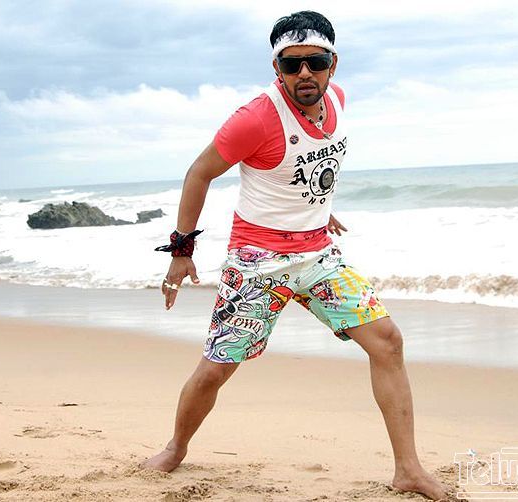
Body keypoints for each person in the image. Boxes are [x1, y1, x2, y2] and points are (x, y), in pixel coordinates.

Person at [140, 10, 453, 500]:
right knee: (217, 367)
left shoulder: (338, 101)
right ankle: (175, 448)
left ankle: (408, 469)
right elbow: (198, 173)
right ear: (277, 68)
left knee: (388, 342)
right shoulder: (254, 119)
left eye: (316, 62)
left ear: (333, 64)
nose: (305, 73)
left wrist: (318, 208)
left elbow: (303, 168)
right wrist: (182, 250)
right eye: (292, 64)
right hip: (258, 260)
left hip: (318, 254)